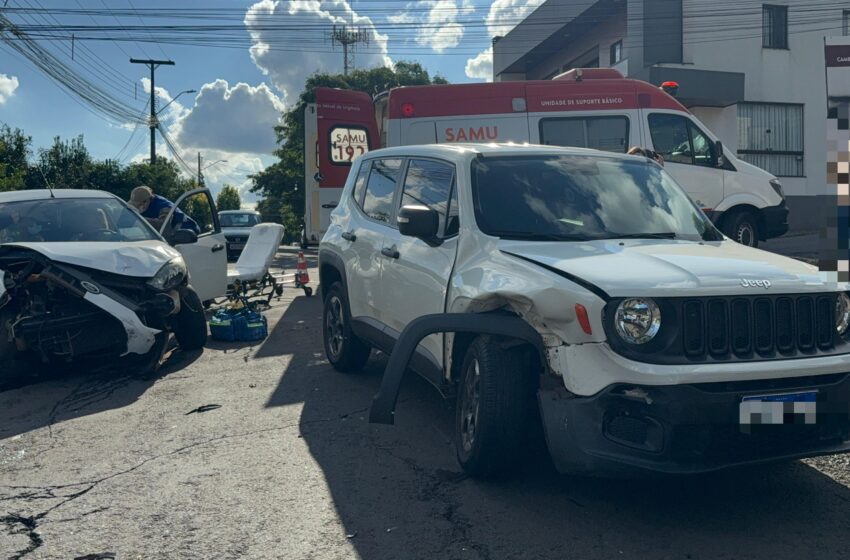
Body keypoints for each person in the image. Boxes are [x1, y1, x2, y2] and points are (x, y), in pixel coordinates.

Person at [128, 186, 199, 234]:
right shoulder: (145, 206)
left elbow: (163, 225)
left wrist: (139, 219)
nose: (136, 207)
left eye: (138, 205)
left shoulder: (164, 207)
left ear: (146, 201)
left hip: (189, 233)